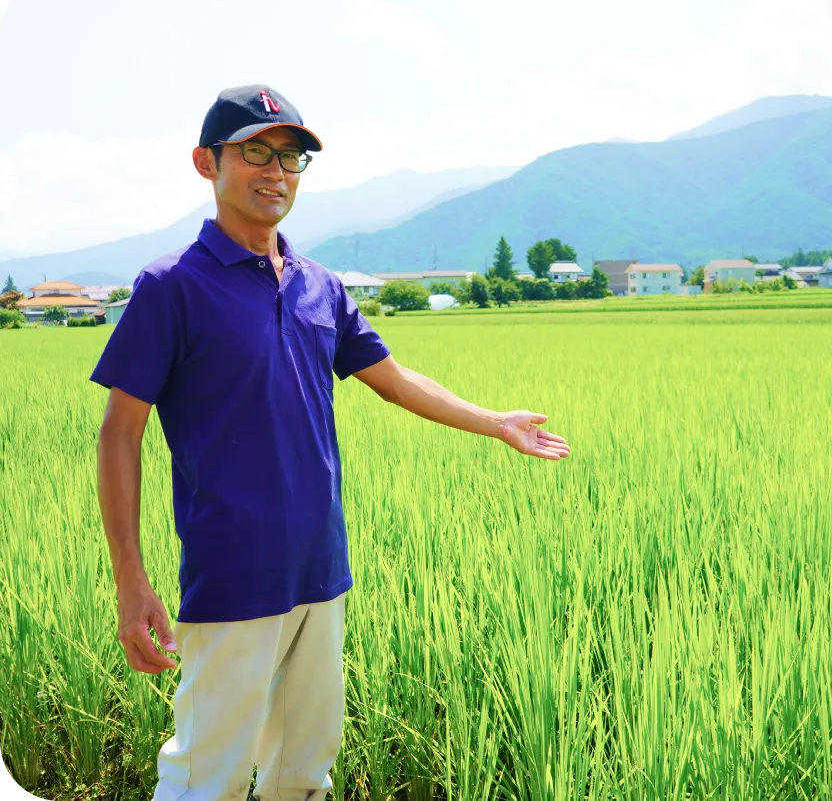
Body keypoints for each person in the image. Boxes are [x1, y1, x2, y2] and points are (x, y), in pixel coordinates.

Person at [91, 84, 571, 801]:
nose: (275, 171)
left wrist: (494, 421)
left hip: (322, 572)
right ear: (206, 163)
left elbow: (395, 378)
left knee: (303, 773)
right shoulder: (171, 287)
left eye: (289, 157)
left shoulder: (321, 287)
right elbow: (119, 434)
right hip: (231, 577)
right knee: (206, 778)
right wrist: (130, 579)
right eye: (255, 151)